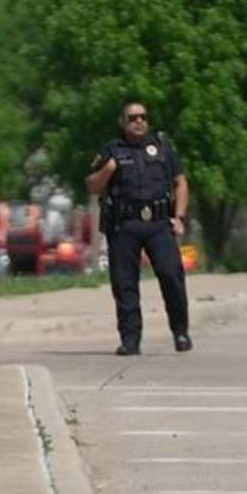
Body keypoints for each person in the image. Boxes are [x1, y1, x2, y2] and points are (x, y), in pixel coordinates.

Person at [86, 100, 192, 355]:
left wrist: (179, 217)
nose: (139, 122)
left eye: (143, 117)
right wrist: (109, 169)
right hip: (124, 225)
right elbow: (92, 186)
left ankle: (180, 331)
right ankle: (130, 339)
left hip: (158, 223)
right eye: (132, 118)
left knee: (171, 275)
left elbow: (180, 182)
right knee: (125, 284)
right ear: (122, 122)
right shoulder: (112, 150)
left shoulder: (162, 148)